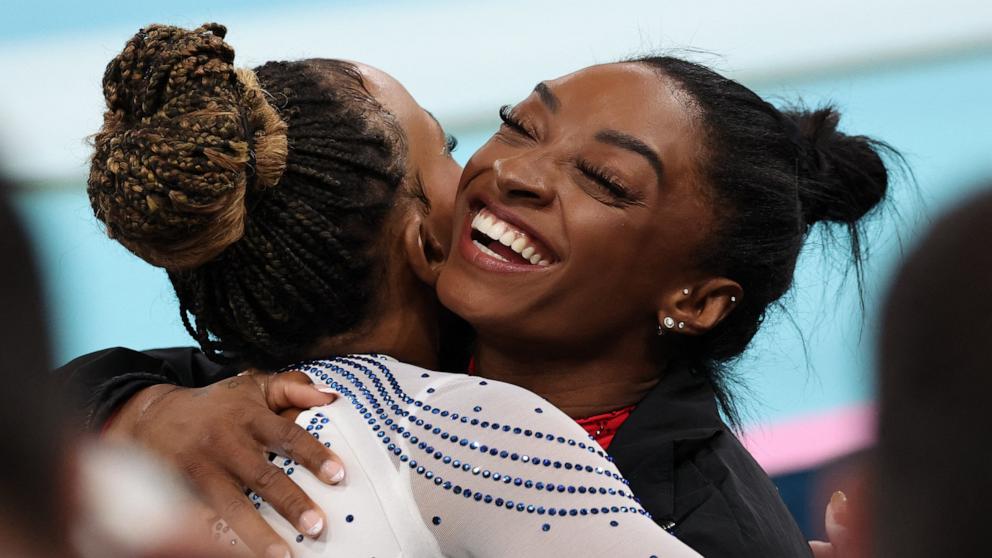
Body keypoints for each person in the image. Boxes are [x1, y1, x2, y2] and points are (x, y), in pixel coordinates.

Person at [60, 23, 899, 558]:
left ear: (697, 300)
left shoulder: (700, 526)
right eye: (522, 123)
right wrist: (141, 413)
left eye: (604, 180)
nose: (516, 174)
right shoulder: (317, 390)